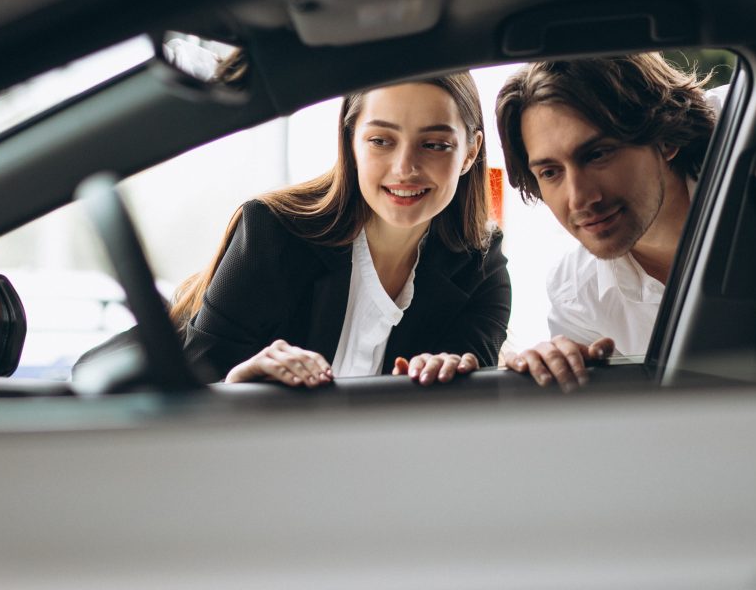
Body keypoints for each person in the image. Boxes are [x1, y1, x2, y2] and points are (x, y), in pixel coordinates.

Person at [177, 73, 511, 386]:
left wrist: (447, 382)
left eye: (435, 145)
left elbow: (462, 415)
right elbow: (192, 395)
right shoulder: (270, 233)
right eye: (381, 140)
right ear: (351, 142)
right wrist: (238, 381)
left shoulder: (481, 267)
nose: (405, 168)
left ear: (470, 152)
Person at [494, 53, 722, 390]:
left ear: (665, 138)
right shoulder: (577, 296)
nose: (579, 198)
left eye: (597, 154)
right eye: (550, 172)